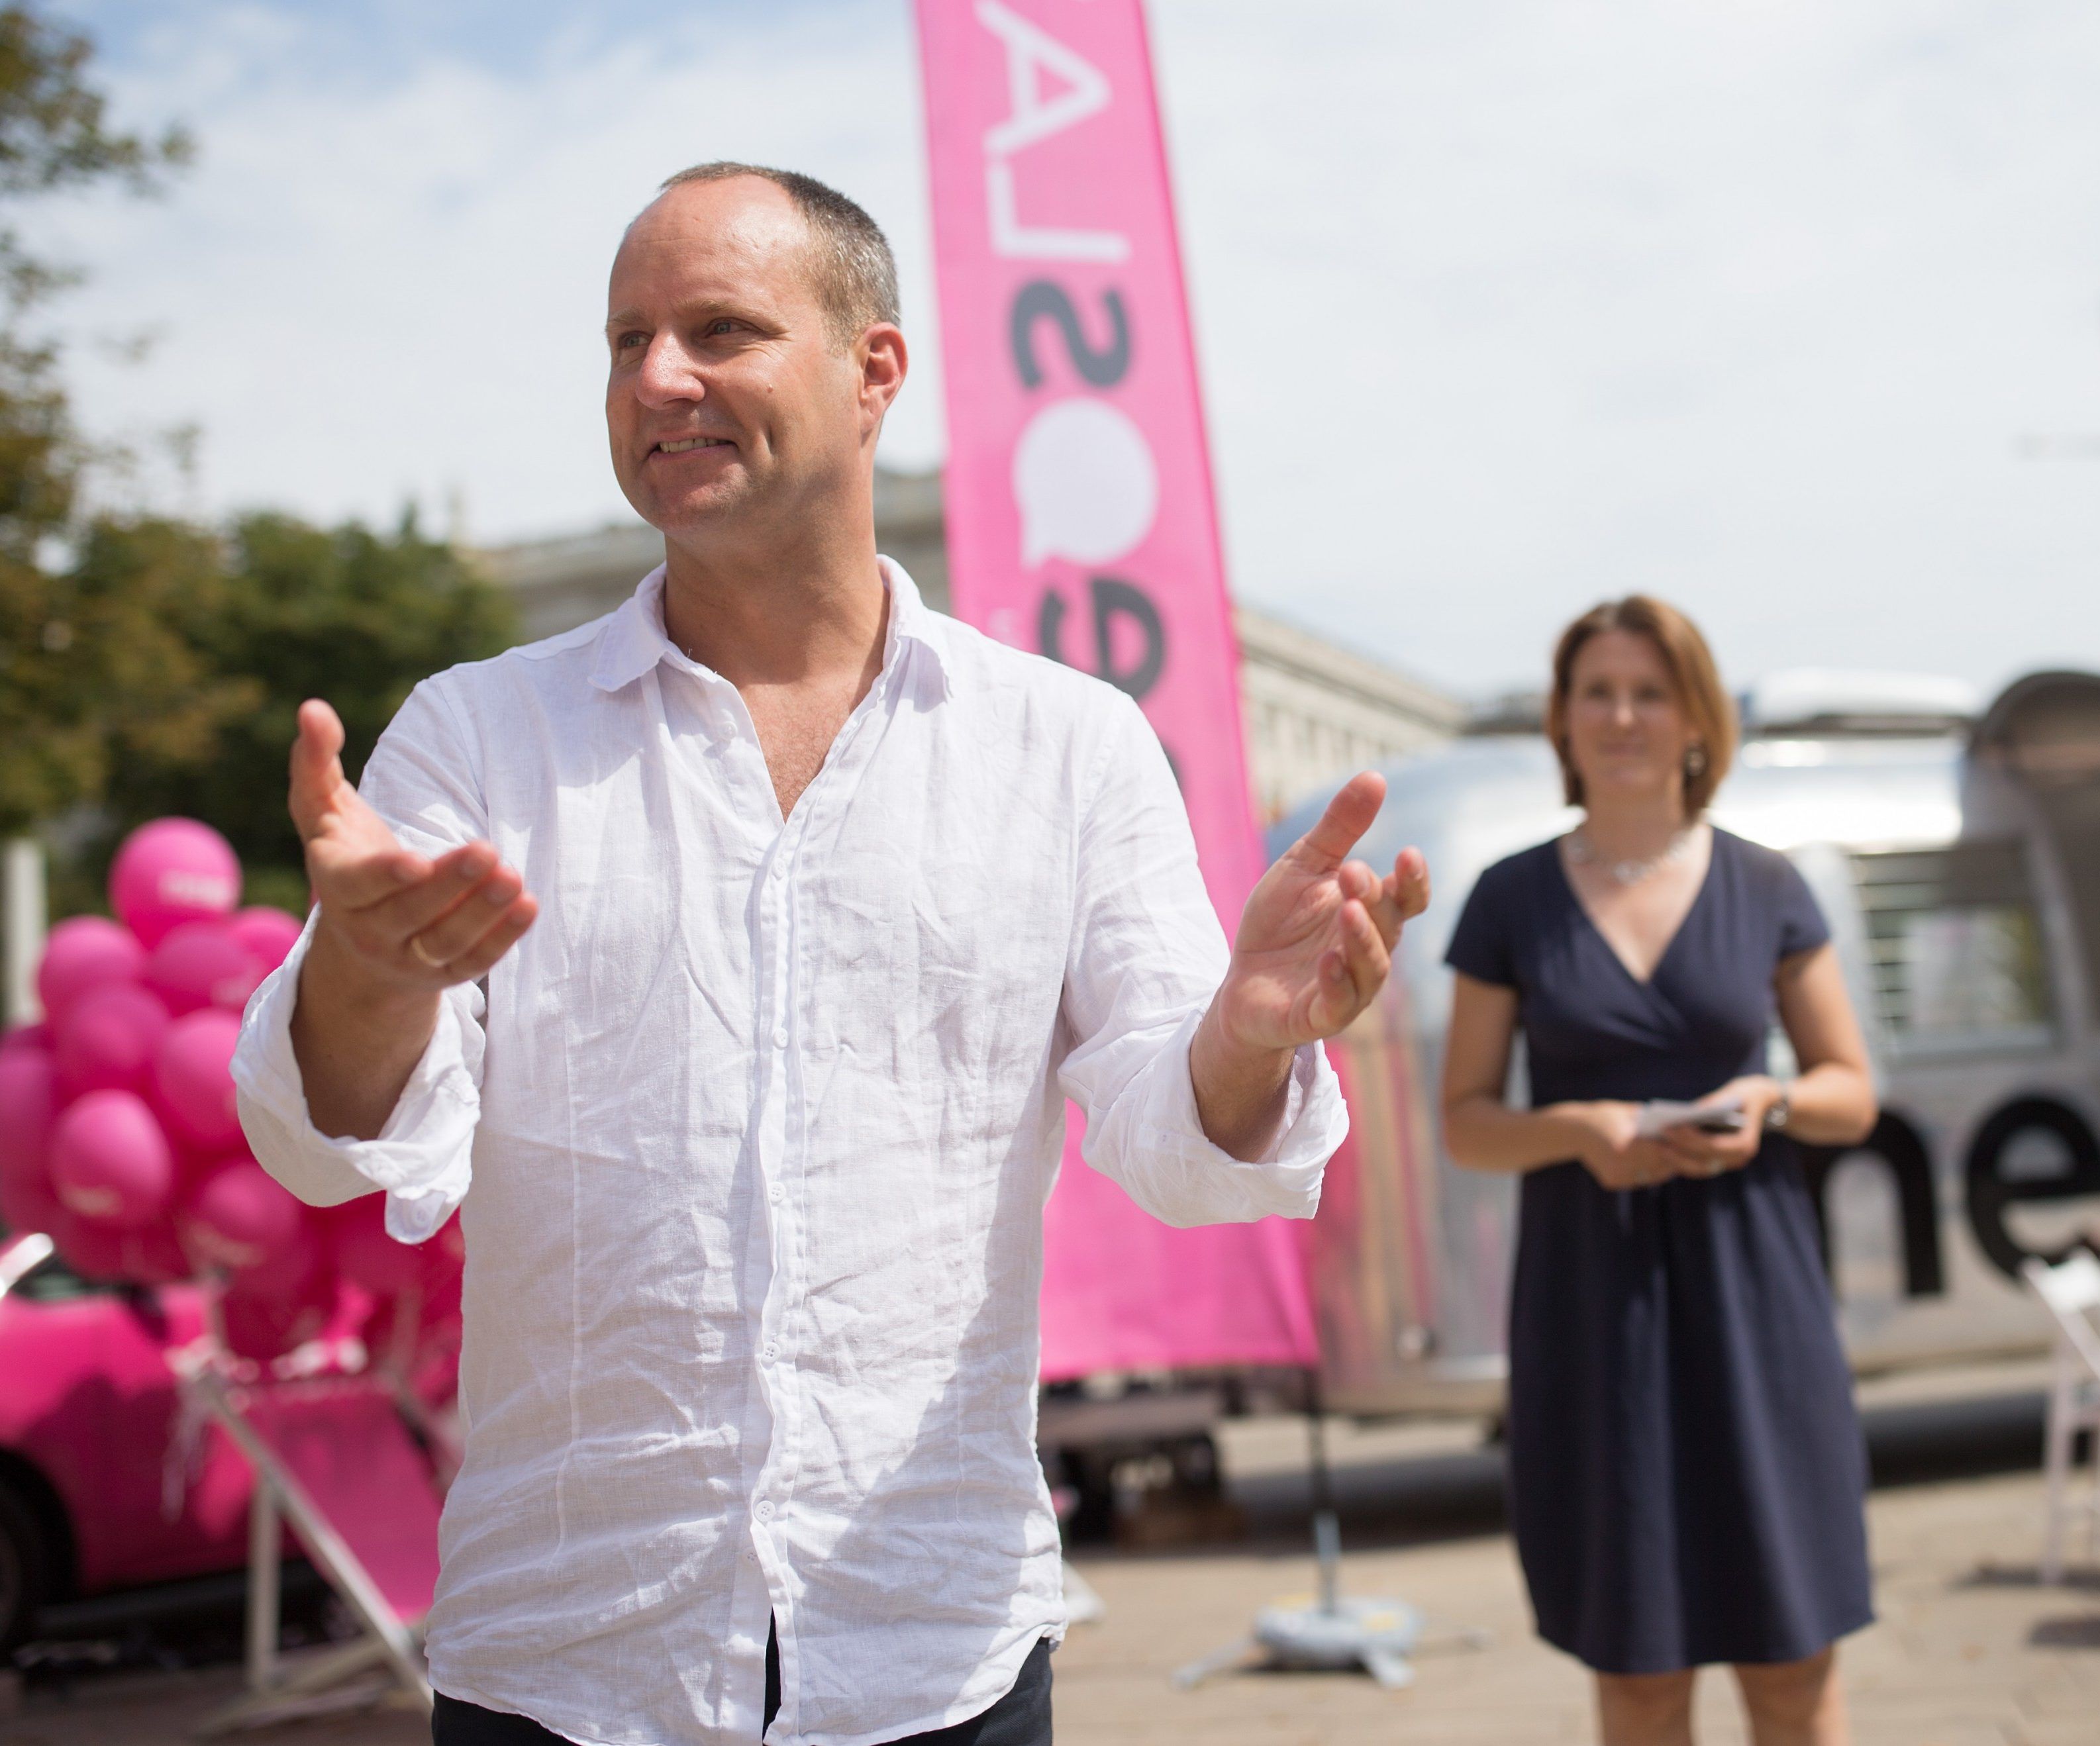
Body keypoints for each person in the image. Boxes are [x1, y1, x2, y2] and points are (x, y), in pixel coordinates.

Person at [230, 162, 1428, 1746]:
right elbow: (339, 1151)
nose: (659, 379)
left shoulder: (1065, 746)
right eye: (625, 340)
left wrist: (1252, 1035)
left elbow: (1175, 1136)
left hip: (936, 1644)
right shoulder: (477, 736)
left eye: (720, 329)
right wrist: (372, 977)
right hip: (572, 1662)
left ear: (876, 368)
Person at [1438, 596, 1877, 1746]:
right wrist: (1580, 1129)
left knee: (1793, 1666)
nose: (1622, 714)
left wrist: (1770, 1099)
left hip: (1758, 1302)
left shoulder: (1770, 885)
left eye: (1648, 690)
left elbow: (1851, 1091)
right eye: (1597, 691)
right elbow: (1468, 1124)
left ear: (1696, 717)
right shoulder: (1509, 898)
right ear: (1564, 721)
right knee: (1638, 1678)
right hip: (1596, 1317)